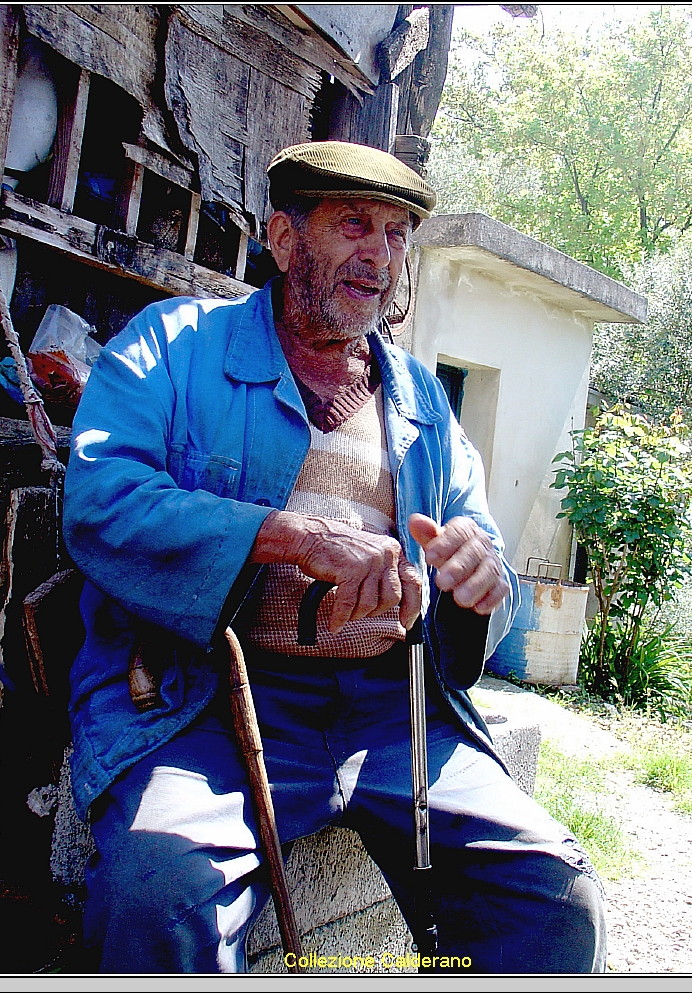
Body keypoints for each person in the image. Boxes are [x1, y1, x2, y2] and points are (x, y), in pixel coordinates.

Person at [63, 140, 607, 973]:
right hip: (212, 703)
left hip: (397, 715)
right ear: (285, 240)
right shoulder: (174, 346)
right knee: (159, 893)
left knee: (553, 897)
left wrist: (473, 579)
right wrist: (290, 535)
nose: (380, 255)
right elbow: (102, 498)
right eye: (354, 225)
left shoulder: (424, 401)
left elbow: (480, 543)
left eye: (396, 234)